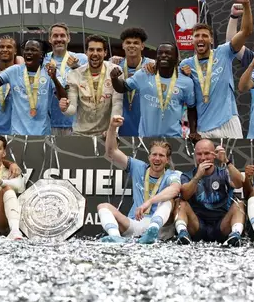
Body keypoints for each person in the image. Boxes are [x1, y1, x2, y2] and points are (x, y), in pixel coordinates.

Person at [174, 0, 252, 138]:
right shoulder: (186, 65)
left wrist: (246, 5)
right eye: (197, 36)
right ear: (192, 40)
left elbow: (246, 31)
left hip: (228, 120)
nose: (200, 39)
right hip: (203, 126)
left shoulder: (223, 52)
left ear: (211, 40)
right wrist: (185, 78)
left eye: (204, 36)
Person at [97, 115, 181, 244]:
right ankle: (116, 237)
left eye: (161, 155)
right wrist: (112, 127)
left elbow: (175, 189)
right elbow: (112, 152)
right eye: (154, 154)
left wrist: (149, 202)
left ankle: (151, 232)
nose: (157, 158)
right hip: (134, 223)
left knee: (169, 200)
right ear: (149, 157)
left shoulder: (172, 174)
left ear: (167, 160)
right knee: (103, 206)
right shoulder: (138, 167)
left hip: (158, 227)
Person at [0, 39, 67, 135]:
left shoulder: (50, 72)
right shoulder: (14, 71)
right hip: (17, 134)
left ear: (41, 54)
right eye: (26, 50)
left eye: (33, 50)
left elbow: (63, 97)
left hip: (42, 133)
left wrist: (54, 79)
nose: (29, 53)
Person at [111, 43, 197, 138]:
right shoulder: (144, 74)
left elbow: (192, 108)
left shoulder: (186, 82)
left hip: (174, 138)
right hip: (146, 137)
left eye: (168, 53)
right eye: (160, 53)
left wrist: (193, 131)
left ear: (176, 58)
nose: (163, 55)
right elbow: (122, 88)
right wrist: (114, 79)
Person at [176, 139, 245, 246]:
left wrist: (226, 161)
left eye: (207, 153)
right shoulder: (187, 175)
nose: (203, 158)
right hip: (197, 225)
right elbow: (185, 195)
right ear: (195, 156)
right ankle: (182, 234)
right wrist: (197, 176)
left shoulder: (224, 172)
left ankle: (235, 235)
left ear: (214, 155)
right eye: (199, 154)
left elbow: (240, 183)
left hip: (221, 225)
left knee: (239, 204)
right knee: (180, 202)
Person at [59, 35, 123, 136]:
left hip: (106, 134)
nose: (95, 53)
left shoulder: (115, 71)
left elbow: (117, 104)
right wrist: (65, 108)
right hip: (79, 133)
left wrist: (113, 130)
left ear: (105, 53)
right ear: (86, 52)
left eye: (99, 50)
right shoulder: (74, 74)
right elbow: (71, 110)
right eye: (91, 50)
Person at [44, 23, 88, 136]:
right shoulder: (43, 59)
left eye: (62, 35)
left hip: (75, 123)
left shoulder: (81, 59)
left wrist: (76, 68)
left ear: (68, 38)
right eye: (55, 36)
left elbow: (91, 85)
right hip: (48, 124)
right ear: (50, 39)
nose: (59, 39)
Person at [111, 28, 153, 137]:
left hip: (146, 124)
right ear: (123, 45)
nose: (132, 45)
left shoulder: (151, 66)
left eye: (136, 43)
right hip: (122, 123)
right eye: (128, 42)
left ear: (142, 46)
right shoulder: (115, 66)